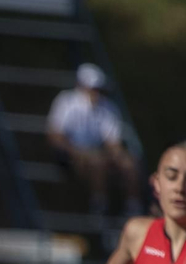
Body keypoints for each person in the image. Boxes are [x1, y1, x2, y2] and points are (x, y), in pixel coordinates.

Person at [47, 63, 142, 216]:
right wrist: (76, 152)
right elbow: (55, 135)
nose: (95, 92)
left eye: (97, 87)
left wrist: (118, 155)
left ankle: (133, 207)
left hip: (96, 154)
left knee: (129, 163)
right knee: (97, 161)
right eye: (92, 87)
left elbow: (112, 141)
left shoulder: (108, 107)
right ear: (81, 85)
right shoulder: (65, 102)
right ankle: (99, 206)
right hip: (70, 156)